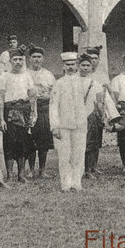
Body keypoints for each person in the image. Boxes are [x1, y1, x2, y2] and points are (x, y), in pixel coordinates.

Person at [0, 45, 38, 183]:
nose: (18, 62)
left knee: (22, 143)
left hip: (24, 113)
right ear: (10, 61)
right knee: (9, 144)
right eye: (15, 59)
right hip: (9, 112)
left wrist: (32, 114)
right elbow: (0, 99)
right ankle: (9, 175)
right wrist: (1, 119)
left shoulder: (27, 76)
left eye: (20, 59)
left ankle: (21, 175)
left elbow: (32, 97)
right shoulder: (4, 77)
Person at [50, 52, 90, 192]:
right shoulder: (59, 83)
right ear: (63, 66)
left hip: (80, 124)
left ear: (77, 65)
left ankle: (77, 182)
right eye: (67, 65)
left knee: (78, 154)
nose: (70, 67)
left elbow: (90, 102)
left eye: (73, 64)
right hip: (64, 124)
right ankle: (66, 183)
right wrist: (54, 126)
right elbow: (53, 105)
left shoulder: (83, 82)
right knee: (64, 155)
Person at [27, 45, 56, 178]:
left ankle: (42, 170)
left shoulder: (48, 74)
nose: (36, 59)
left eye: (39, 57)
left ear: (43, 59)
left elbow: (54, 92)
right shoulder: (25, 74)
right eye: (34, 57)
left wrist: (47, 96)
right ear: (29, 59)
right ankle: (31, 169)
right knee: (30, 140)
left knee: (43, 140)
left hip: (44, 109)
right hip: (30, 109)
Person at [83, 47, 110, 178]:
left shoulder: (102, 75)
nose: (93, 61)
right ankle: (85, 168)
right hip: (86, 111)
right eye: (91, 58)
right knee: (87, 140)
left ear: (99, 60)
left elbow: (107, 93)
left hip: (98, 109)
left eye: (95, 58)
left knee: (96, 139)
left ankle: (94, 166)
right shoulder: (82, 74)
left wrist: (105, 113)